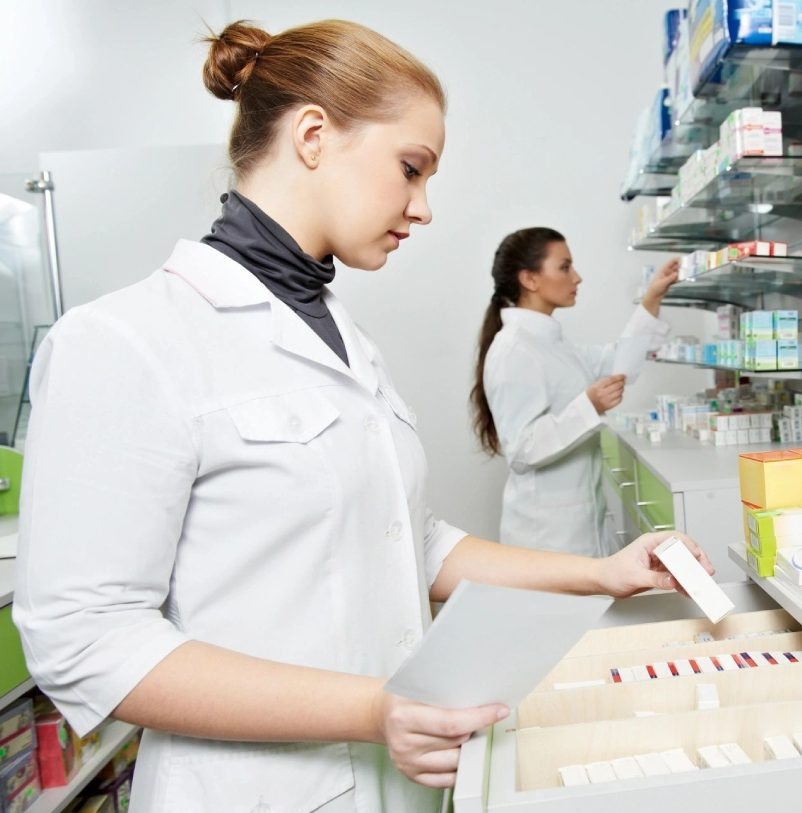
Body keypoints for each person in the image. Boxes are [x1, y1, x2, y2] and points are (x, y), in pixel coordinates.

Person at [13, 20, 713, 813]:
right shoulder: (125, 341)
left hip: (397, 786)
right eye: (410, 169)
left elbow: (405, 541)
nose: (422, 208)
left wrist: (601, 572)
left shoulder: (345, 340)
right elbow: (84, 638)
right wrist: (369, 709)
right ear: (312, 135)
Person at [471, 229, 678, 557]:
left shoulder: (552, 343)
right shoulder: (514, 349)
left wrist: (651, 298)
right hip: (546, 533)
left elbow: (615, 363)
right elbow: (522, 450)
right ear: (530, 279)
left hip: (577, 522)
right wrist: (589, 406)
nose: (577, 277)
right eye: (565, 267)